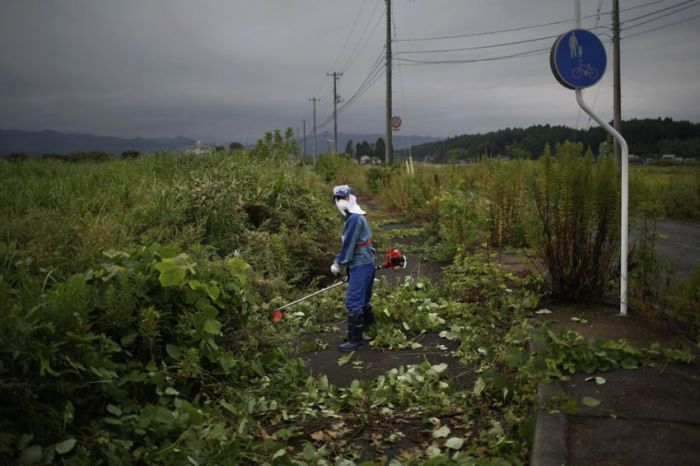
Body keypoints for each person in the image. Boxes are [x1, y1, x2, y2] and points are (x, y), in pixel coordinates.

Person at [331, 185, 376, 351]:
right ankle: (370, 327)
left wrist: (338, 263)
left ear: (352, 198)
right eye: (339, 199)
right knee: (363, 298)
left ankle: (356, 340)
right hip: (366, 262)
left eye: (345, 198)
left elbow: (348, 246)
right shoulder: (355, 217)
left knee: (353, 300)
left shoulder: (354, 219)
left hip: (360, 263)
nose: (342, 202)